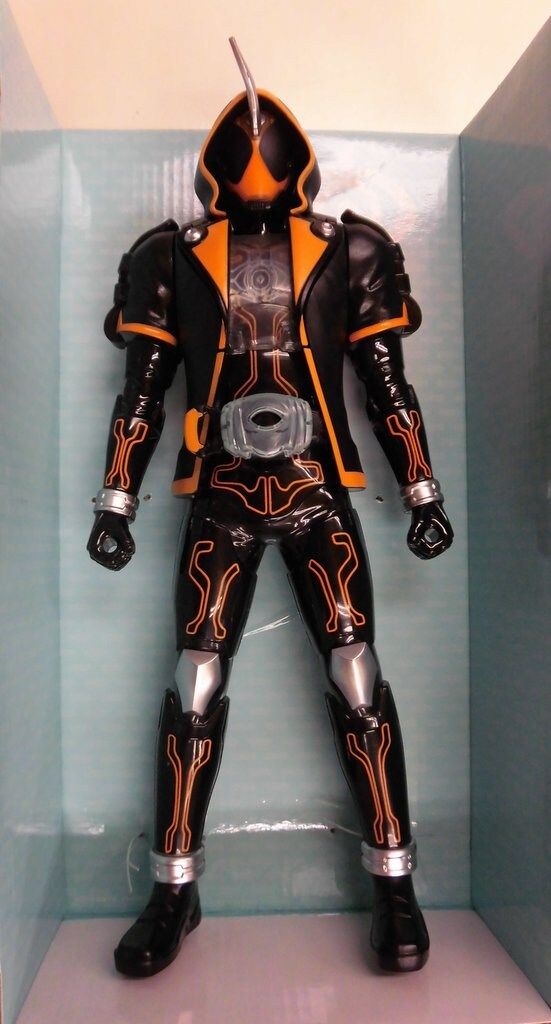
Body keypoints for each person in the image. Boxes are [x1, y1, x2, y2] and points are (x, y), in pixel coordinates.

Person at [87, 39, 453, 978]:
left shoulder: (352, 247)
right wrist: (115, 499)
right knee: (195, 680)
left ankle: (395, 884)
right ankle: (174, 889)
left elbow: (385, 382)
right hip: (219, 494)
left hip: (316, 488)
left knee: (357, 675)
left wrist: (421, 489)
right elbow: (142, 389)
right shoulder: (168, 254)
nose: (254, 147)